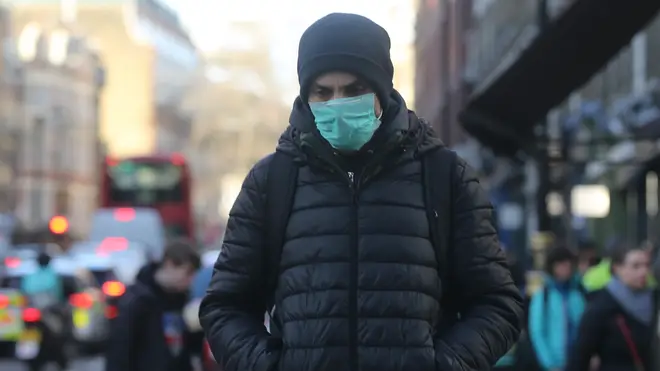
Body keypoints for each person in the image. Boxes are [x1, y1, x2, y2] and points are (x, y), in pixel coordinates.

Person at [199, 12, 523, 371]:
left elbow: (498, 304)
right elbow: (224, 306)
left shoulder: (444, 176)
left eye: (354, 90)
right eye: (323, 92)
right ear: (306, 97)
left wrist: (445, 364)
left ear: (382, 91)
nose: (338, 104)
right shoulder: (271, 181)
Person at [105, 240, 201, 371]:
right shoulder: (137, 301)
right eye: (188, 273)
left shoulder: (182, 300)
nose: (190, 280)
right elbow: (120, 350)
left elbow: (188, 348)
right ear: (169, 264)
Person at [567, 245, 658, 371]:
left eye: (646, 265)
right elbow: (581, 355)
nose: (643, 272)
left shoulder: (654, 299)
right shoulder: (601, 306)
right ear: (617, 268)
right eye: (636, 266)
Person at [527, 247, 585, 371]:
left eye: (568, 263)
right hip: (555, 364)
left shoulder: (579, 292)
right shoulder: (543, 296)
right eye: (561, 264)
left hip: (579, 362)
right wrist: (549, 364)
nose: (566, 267)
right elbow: (537, 332)